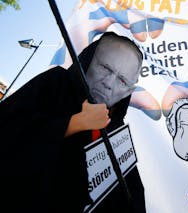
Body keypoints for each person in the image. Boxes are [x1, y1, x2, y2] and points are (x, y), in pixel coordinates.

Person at [0, 31, 146, 212]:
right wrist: (73, 123)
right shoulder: (55, 83)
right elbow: (6, 130)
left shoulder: (118, 134)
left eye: (122, 80)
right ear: (88, 60)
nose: (109, 83)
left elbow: (131, 197)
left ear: (127, 92)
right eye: (105, 68)